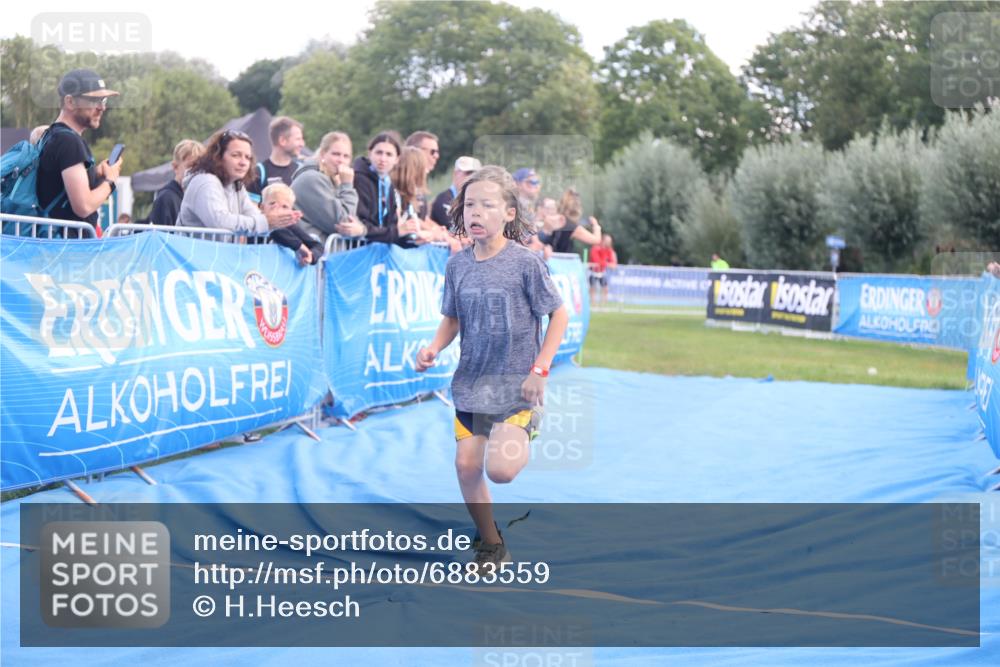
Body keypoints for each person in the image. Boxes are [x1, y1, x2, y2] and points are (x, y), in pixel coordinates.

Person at [415, 166, 569, 571]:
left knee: (500, 471)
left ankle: (528, 422)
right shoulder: (457, 266)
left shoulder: (525, 264)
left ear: (509, 214)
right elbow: (452, 318)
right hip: (472, 385)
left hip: (517, 386)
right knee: (467, 467)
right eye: (469, 205)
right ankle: (492, 542)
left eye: (487, 204)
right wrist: (432, 348)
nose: (476, 212)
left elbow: (559, 314)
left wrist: (540, 370)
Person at [36, 69, 122, 236]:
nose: (102, 108)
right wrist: (110, 181)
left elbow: (56, 185)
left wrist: (94, 174)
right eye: (94, 100)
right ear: (70, 102)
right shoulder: (69, 142)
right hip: (68, 251)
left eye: (103, 100)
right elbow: (83, 206)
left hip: (54, 246)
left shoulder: (51, 135)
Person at [177, 129, 297, 235]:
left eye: (247, 157)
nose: (243, 162)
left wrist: (278, 222)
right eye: (236, 155)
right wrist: (267, 221)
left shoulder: (236, 185)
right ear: (218, 156)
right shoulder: (205, 182)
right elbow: (220, 222)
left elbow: (255, 217)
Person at [291, 131, 360, 244]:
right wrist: (347, 186)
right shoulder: (312, 179)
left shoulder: (331, 179)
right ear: (323, 154)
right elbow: (344, 222)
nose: (341, 160)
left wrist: (360, 230)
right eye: (336, 154)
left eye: (346, 156)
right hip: (310, 256)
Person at [352, 131, 405, 244]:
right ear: (370, 153)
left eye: (389, 154)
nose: (383, 159)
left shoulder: (388, 183)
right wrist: (394, 232)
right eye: (379, 152)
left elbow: (392, 223)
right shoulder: (359, 179)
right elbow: (363, 223)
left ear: (397, 159)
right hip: (361, 246)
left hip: (379, 245)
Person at [245, 116, 306, 202]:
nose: (302, 144)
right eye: (298, 139)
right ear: (282, 141)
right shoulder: (259, 172)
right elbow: (253, 209)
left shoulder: (301, 171)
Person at [261, 183, 323, 266]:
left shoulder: (290, 226)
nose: (278, 209)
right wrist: (300, 247)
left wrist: (310, 256)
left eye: (285, 207)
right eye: (272, 204)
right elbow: (275, 231)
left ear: (291, 211)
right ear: (262, 207)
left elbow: (318, 246)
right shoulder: (258, 224)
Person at [149, 139, 206, 226]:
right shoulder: (166, 199)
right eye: (191, 166)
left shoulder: (200, 198)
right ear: (175, 167)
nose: (196, 171)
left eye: (200, 166)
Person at [391, 146, 437, 246]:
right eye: (423, 167)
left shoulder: (409, 195)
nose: (426, 171)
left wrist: (430, 234)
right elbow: (397, 230)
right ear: (414, 170)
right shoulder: (393, 193)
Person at [430, 156, 481, 228]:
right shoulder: (443, 200)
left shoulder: (478, 202)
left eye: (475, 175)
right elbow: (454, 229)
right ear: (455, 174)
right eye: (467, 173)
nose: (471, 178)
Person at [547, 187, 601, 253]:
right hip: (560, 260)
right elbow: (596, 240)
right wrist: (596, 226)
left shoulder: (554, 219)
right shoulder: (572, 227)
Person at [589, 233, 618, 305]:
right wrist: (608, 264)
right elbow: (597, 261)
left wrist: (610, 263)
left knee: (605, 288)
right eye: (607, 241)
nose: (609, 243)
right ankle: (593, 303)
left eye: (610, 241)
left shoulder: (609, 250)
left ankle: (604, 303)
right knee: (592, 288)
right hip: (593, 272)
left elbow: (613, 262)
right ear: (603, 240)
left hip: (602, 272)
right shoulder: (595, 248)